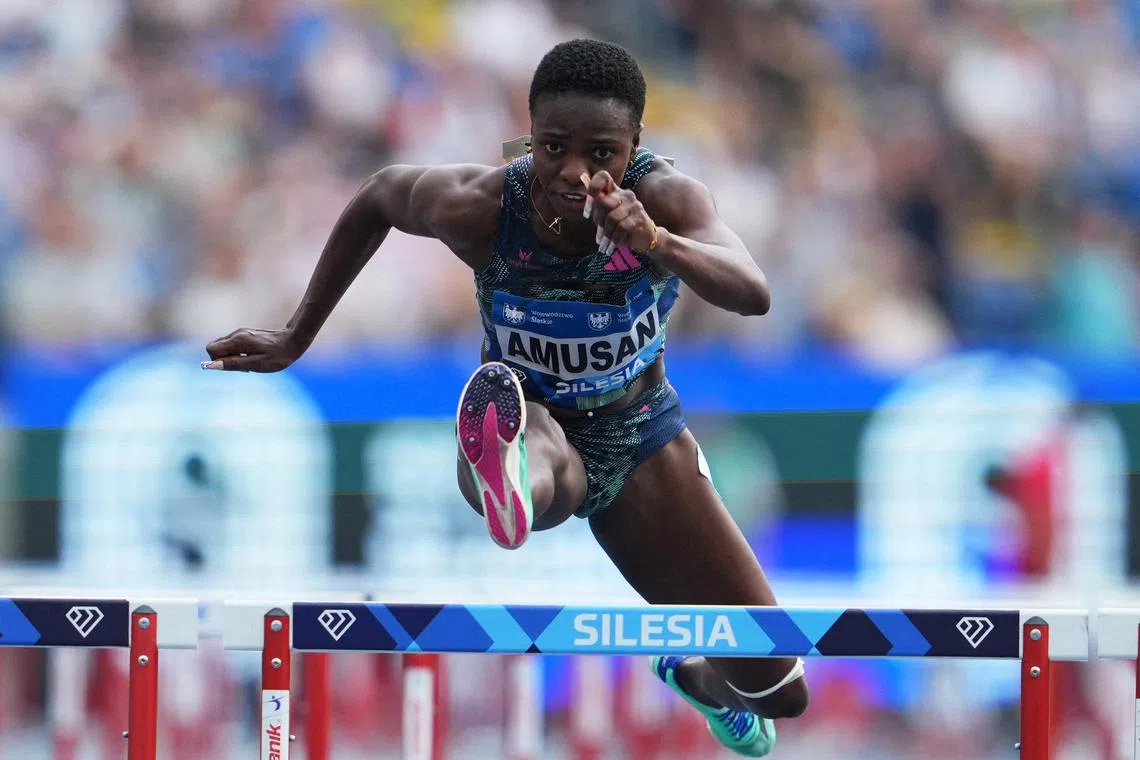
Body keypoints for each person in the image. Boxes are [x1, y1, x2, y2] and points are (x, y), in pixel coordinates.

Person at [204, 38, 808, 756]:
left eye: (602, 152)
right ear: (529, 135)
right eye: (553, 147)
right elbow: (378, 197)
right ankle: (509, 470)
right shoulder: (486, 206)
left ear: (635, 146)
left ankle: (699, 679)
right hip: (533, 414)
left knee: (781, 687)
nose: (574, 173)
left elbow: (753, 293)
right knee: (544, 448)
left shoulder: (666, 198)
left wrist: (656, 242)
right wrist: (297, 335)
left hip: (643, 440)